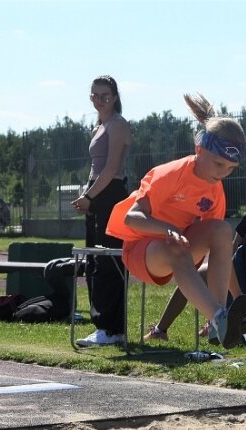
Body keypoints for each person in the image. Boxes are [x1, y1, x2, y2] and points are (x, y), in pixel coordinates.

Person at [103, 93, 246, 350]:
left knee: (221, 230)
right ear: (199, 150)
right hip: (142, 250)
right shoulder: (170, 175)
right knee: (177, 248)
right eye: (218, 164)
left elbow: (221, 253)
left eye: (230, 169)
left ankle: (220, 319)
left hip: (179, 246)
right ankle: (219, 319)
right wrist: (168, 229)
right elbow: (132, 218)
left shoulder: (215, 190)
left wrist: (239, 296)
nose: (222, 174)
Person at [143, 166, 246, 342]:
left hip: (239, 274)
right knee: (202, 274)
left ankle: (163, 330)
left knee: (192, 276)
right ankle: (215, 322)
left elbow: (229, 253)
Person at [71, 75, 132, 346]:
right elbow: (95, 169)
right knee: (94, 261)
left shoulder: (118, 125)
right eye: (94, 96)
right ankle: (105, 326)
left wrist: (90, 197)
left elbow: (111, 169)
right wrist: (86, 195)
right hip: (97, 193)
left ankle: (111, 327)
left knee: (108, 261)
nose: (99, 101)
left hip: (110, 194)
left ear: (115, 97)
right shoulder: (99, 125)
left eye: (104, 96)